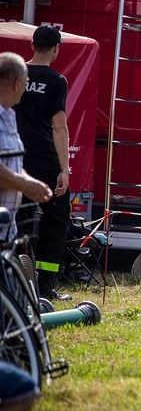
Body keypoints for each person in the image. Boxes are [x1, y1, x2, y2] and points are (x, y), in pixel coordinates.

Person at [13, 27, 72, 301]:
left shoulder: (14, 75)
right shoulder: (56, 81)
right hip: (45, 162)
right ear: (56, 49)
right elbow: (59, 127)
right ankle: (45, 286)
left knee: (18, 222)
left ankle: (16, 280)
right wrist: (64, 170)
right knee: (56, 222)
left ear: (33, 45)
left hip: (14, 159)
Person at [0, 52, 53, 244]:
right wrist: (24, 185)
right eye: (26, 82)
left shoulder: (9, 116)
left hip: (7, 231)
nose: (26, 87)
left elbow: (10, 162)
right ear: (17, 83)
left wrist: (32, 183)